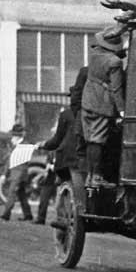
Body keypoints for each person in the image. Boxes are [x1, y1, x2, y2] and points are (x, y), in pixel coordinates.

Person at [72, 31, 127, 187]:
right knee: (98, 141)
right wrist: (121, 110)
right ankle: (96, 177)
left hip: (88, 102)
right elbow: (116, 88)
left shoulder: (94, 56)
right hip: (102, 104)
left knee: (91, 141)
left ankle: (91, 177)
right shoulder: (115, 62)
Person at [36, 89, 84, 226]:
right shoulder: (92, 114)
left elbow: (57, 140)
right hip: (85, 158)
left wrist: (44, 145)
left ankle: (61, 217)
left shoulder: (66, 114)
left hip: (68, 159)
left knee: (64, 187)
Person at [0, 123, 34, 222]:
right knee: (22, 195)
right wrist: (5, 174)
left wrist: (14, 176)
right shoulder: (17, 145)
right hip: (18, 174)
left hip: (18, 175)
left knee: (11, 193)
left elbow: (23, 163)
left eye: (13, 136)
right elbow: (9, 161)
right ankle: (28, 215)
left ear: (17, 136)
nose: (11, 139)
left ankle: (6, 214)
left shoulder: (24, 146)